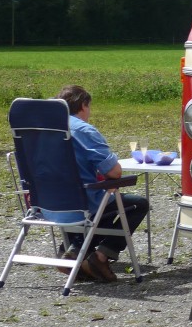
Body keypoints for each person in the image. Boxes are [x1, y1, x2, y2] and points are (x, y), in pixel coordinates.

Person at [56, 85, 150, 282]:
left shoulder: (45, 128)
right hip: (82, 202)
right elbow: (114, 172)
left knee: (106, 204)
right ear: (83, 105)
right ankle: (100, 256)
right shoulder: (83, 130)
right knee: (137, 204)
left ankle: (73, 249)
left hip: (47, 203)